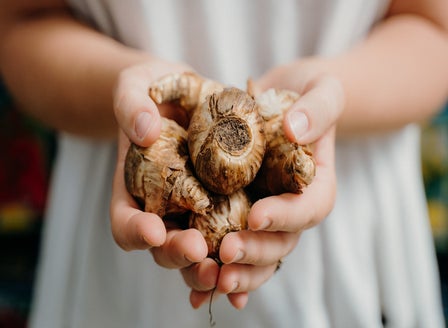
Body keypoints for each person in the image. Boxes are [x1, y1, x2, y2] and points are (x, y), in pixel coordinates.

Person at [1, 0, 447, 327]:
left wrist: (329, 98)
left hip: (356, 241)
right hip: (117, 248)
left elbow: (435, 30)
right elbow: (19, 26)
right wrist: (127, 92)